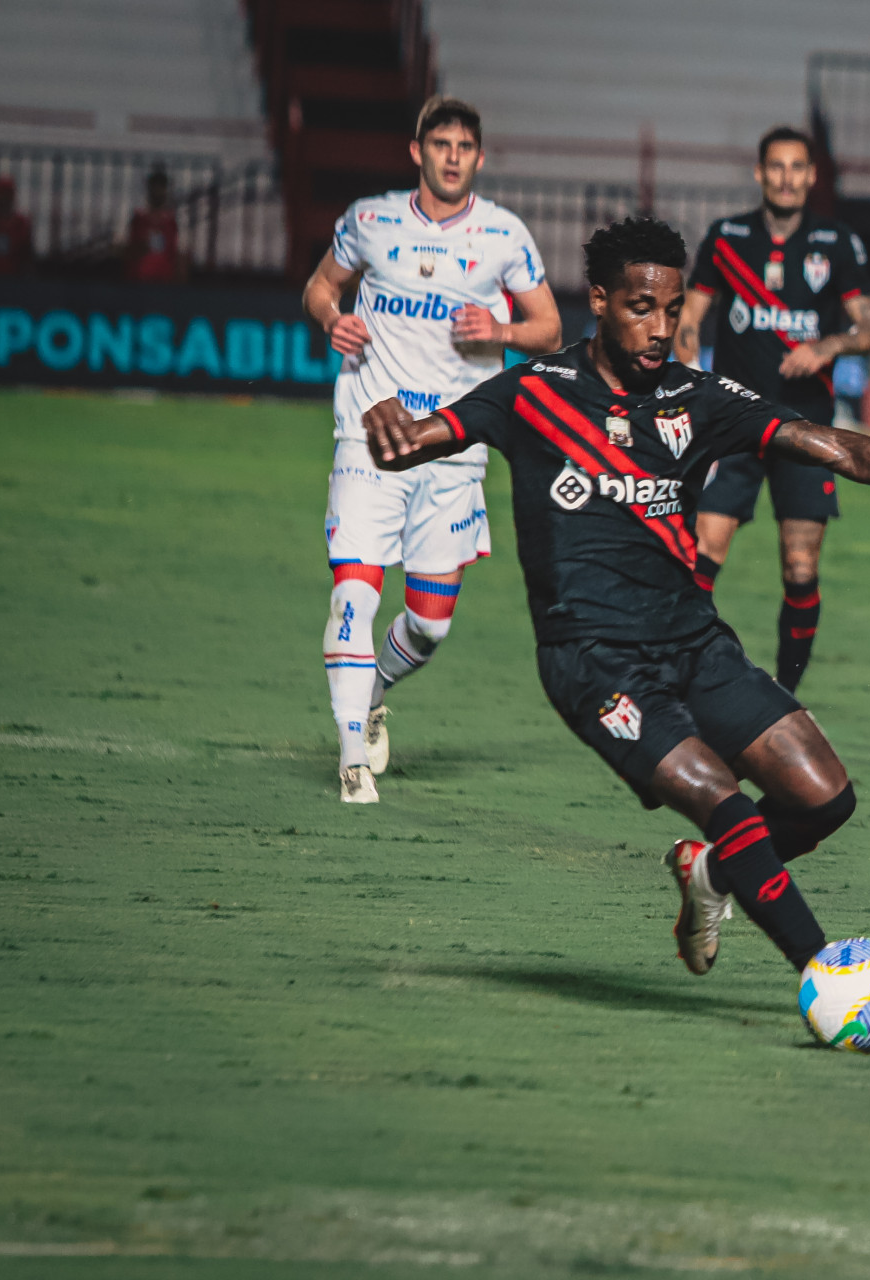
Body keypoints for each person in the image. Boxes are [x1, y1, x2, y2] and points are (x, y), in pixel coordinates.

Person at [361, 215, 870, 978]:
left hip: (694, 643)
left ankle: (710, 876)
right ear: (599, 300)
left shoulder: (697, 397)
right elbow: (413, 441)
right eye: (641, 308)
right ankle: (825, 973)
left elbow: (835, 446)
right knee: (725, 802)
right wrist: (385, 426)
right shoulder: (531, 392)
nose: (662, 328)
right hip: (595, 660)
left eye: (672, 307)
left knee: (825, 799)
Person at [302, 95, 562, 803]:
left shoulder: (504, 236)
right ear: (416, 151)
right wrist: (333, 317)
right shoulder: (370, 219)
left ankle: (376, 687)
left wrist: (499, 333)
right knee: (354, 591)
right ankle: (352, 754)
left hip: (452, 448)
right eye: (439, 144)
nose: (452, 156)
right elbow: (322, 286)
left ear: (479, 157)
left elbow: (548, 328)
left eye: (464, 146)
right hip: (370, 436)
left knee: (429, 624)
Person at [674, 125, 870, 692]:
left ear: (811, 177)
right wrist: (689, 370)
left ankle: (785, 698)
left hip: (804, 429)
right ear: (759, 173)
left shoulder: (835, 244)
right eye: (777, 167)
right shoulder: (727, 237)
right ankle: (677, 677)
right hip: (733, 425)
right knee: (701, 557)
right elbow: (690, 319)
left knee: (800, 569)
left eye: (798, 168)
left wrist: (829, 344)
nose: (787, 178)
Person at [126, 168, 184, 284]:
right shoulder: (139, 219)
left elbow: (176, 254)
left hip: (164, 280)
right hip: (140, 279)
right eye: (155, 187)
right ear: (150, 189)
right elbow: (131, 251)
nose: (157, 191)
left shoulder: (171, 221)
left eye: (161, 188)